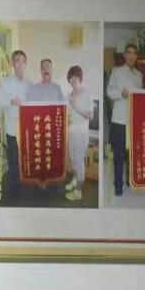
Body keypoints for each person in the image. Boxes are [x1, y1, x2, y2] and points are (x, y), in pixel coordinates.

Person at [106, 44, 142, 196]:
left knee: (132, 153)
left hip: (134, 120)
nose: (131, 56)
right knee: (119, 155)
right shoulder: (116, 71)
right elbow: (109, 91)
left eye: (134, 53)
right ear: (125, 55)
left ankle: (129, 180)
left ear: (136, 57)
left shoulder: (139, 75)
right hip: (119, 119)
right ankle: (118, 185)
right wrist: (121, 93)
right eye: (129, 52)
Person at [0, 49, 30, 196]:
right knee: (13, 159)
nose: (20, 64)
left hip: (26, 128)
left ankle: (26, 184)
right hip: (12, 128)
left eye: (23, 61)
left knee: (26, 157)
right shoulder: (5, 83)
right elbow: (1, 103)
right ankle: (13, 187)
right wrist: (10, 101)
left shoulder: (30, 84)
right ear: (12, 63)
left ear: (25, 64)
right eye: (17, 61)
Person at [64, 66, 93, 201]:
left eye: (75, 76)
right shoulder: (69, 95)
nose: (73, 79)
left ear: (80, 77)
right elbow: (69, 115)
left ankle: (78, 192)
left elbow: (90, 115)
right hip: (72, 130)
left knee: (79, 161)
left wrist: (76, 107)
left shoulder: (86, 93)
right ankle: (75, 181)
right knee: (72, 158)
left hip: (81, 130)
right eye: (71, 77)